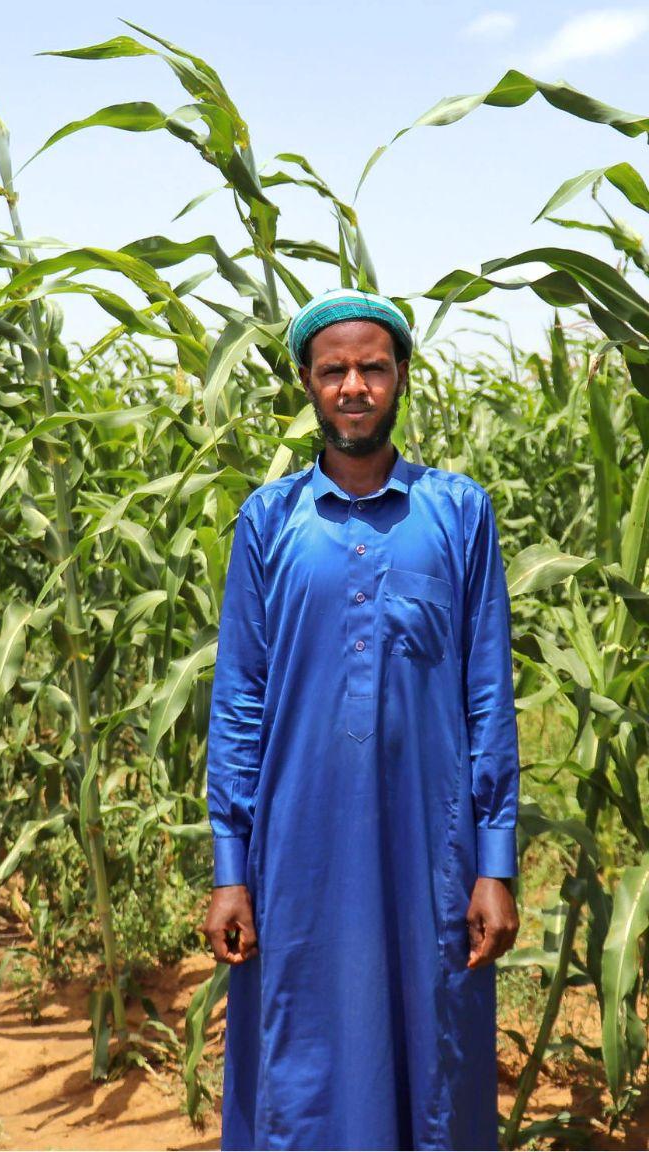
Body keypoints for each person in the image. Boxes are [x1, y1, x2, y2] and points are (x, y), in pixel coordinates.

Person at [202, 288, 520, 1151]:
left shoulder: (458, 514)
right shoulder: (269, 522)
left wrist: (496, 863)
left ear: (402, 379)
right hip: (296, 851)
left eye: (372, 368)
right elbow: (239, 700)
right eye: (334, 369)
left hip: (431, 851)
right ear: (306, 382)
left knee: (434, 1051)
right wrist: (231, 867)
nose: (353, 386)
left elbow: (487, 693)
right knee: (298, 1053)